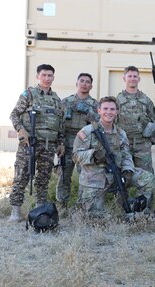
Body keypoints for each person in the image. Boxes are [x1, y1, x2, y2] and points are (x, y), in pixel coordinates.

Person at [72, 96, 155, 217]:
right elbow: (75, 155)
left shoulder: (121, 133)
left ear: (117, 111)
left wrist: (128, 170)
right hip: (95, 179)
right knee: (95, 218)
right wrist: (94, 154)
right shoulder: (87, 131)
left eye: (112, 109)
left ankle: (141, 214)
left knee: (147, 178)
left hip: (117, 173)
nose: (109, 112)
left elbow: (126, 154)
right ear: (99, 110)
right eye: (105, 109)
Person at [8, 64, 65, 222]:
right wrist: (21, 130)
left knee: (43, 178)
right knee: (21, 176)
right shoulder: (29, 94)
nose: (47, 78)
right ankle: (15, 213)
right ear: (37, 76)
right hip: (29, 143)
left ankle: (40, 211)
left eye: (50, 76)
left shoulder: (56, 99)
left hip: (49, 145)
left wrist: (60, 143)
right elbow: (14, 114)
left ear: (53, 77)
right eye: (44, 75)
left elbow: (60, 124)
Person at [56, 73, 99, 212]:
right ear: (77, 83)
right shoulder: (66, 102)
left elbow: (99, 124)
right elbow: (59, 124)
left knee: (85, 176)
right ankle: (62, 206)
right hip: (67, 143)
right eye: (82, 81)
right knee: (64, 176)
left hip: (85, 144)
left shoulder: (95, 104)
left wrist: (89, 112)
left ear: (91, 86)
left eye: (87, 82)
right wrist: (60, 143)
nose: (84, 84)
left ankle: (82, 206)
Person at [116, 66, 155, 174]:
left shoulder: (146, 100)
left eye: (135, 76)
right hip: (124, 143)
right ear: (124, 78)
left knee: (146, 175)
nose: (132, 78)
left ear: (139, 79)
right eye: (129, 76)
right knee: (123, 174)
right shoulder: (118, 100)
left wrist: (150, 141)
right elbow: (111, 122)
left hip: (142, 145)